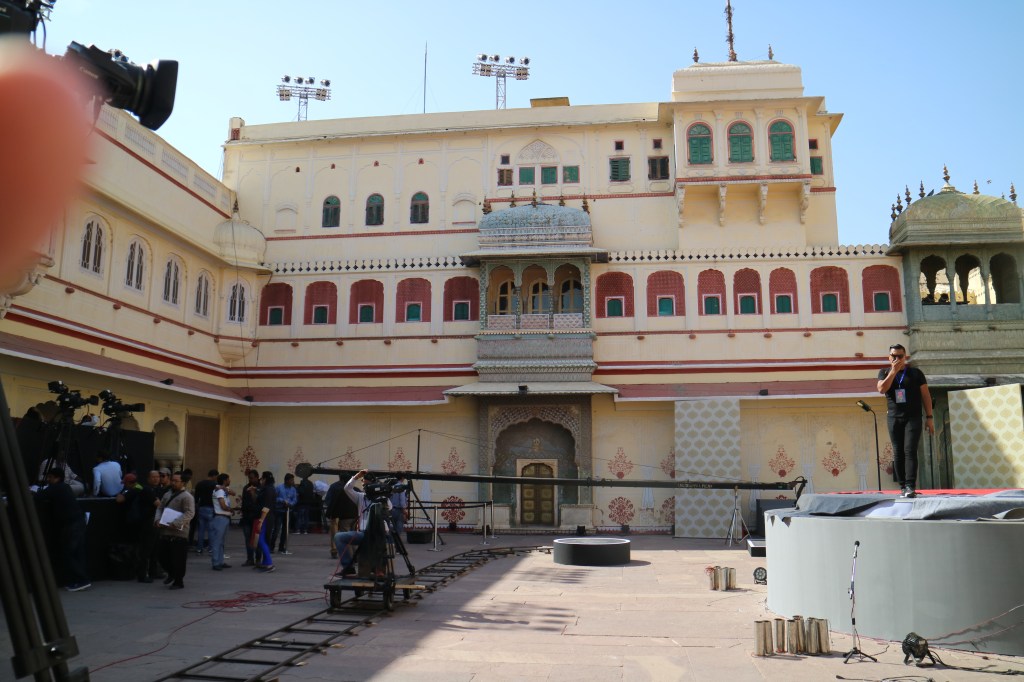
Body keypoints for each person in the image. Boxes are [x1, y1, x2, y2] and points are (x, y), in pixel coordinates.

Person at [877, 344, 934, 498]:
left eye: (900, 356)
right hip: (894, 418)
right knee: (898, 452)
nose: (897, 359)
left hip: (913, 417)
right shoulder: (884, 372)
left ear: (905, 357)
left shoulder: (916, 373)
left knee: (910, 450)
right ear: (889, 357)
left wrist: (929, 417)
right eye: (893, 356)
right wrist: (893, 372)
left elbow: (926, 395)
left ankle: (910, 486)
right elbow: (881, 389)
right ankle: (902, 486)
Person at [36, 467, 91, 591]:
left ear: (57, 478)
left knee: (69, 553)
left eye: (50, 477)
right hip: (78, 521)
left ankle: (82, 580)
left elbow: (39, 496)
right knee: (78, 552)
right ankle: (81, 579)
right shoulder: (65, 487)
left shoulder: (55, 488)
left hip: (70, 524)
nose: (48, 479)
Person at [333, 470, 391, 577]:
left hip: (379, 534)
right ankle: (348, 567)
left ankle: (378, 570)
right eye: (364, 485)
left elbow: (389, 507)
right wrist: (357, 476)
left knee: (380, 544)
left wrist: (380, 493)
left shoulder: (382, 499)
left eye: (368, 485)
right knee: (339, 537)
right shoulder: (360, 497)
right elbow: (347, 488)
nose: (365, 487)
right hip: (363, 534)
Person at [157, 472, 195, 589]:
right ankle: (171, 573)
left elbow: (189, 513)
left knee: (178, 559)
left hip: (179, 533)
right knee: (162, 557)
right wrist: (157, 519)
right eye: (172, 480)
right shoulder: (167, 494)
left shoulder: (187, 497)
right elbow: (160, 508)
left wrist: (176, 523)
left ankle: (178, 581)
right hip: (165, 531)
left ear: (183, 483)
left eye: (176, 481)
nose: (173, 483)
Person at [325, 474, 358, 559]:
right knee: (353, 535)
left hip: (338, 514)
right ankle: (355, 555)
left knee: (337, 533)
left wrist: (329, 514)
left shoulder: (335, 487)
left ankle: (335, 550)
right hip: (354, 516)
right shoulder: (355, 489)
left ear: (340, 479)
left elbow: (329, 500)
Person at [252, 471, 276, 572]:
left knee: (261, 540)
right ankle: (266, 562)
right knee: (264, 540)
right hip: (267, 517)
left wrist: (261, 520)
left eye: (262, 479)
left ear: (265, 479)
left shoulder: (268, 490)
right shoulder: (269, 489)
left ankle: (269, 563)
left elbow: (266, 506)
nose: (261, 481)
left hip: (265, 517)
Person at [209, 473, 233, 570]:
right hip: (220, 517)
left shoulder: (222, 489)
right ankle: (215, 562)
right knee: (217, 541)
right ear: (224, 480)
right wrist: (231, 510)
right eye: (228, 479)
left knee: (221, 542)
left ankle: (220, 561)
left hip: (223, 517)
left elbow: (234, 493)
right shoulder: (219, 491)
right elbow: (222, 505)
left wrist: (225, 488)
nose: (229, 481)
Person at [239, 469, 262, 566]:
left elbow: (260, 503)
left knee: (256, 539)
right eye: (249, 478)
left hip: (257, 517)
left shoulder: (261, 488)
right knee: (248, 539)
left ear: (257, 477)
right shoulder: (246, 488)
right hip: (247, 517)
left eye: (252, 478)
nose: (250, 480)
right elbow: (244, 501)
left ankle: (258, 559)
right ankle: (250, 558)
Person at [193, 469, 218, 554]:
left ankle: (199, 548)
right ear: (214, 476)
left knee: (201, 529)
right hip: (211, 508)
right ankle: (210, 548)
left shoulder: (199, 484)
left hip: (201, 508)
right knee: (211, 530)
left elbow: (196, 498)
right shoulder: (214, 484)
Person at [271, 472, 296, 555]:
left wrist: (290, 503)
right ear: (286, 480)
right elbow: (274, 498)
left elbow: (295, 499)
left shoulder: (293, 489)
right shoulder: (279, 488)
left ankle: (281, 547)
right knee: (276, 529)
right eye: (291, 480)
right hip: (279, 511)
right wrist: (282, 501)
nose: (293, 482)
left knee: (285, 530)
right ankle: (271, 547)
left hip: (288, 512)